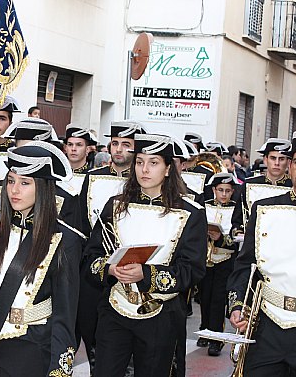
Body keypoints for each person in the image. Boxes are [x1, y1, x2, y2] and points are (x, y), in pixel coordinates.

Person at [0, 141, 83, 376]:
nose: (14, 190)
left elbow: (66, 314)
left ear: (43, 188)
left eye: (25, 183)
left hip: (31, 348)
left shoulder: (65, 239)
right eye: (11, 180)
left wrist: (59, 369)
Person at [86, 133, 207, 376]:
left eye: (153, 163)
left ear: (167, 169)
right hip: (114, 308)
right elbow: (91, 256)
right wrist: (109, 268)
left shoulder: (191, 212)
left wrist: (146, 274)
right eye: (140, 162)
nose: (144, 169)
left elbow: (192, 270)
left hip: (161, 315)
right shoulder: (115, 205)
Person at [228, 131, 296, 376]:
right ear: (290, 166)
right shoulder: (264, 208)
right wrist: (238, 305)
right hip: (268, 326)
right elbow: (246, 265)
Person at [76, 120, 145, 375]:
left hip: (131, 268)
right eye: (115, 144)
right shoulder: (93, 177)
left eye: (126, 145)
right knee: (92, 327)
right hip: (97, 267)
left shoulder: (141, 183)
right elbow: (83, 221)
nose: (119, 150)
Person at [197, 173, 243, 356]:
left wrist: (222, 238)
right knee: (204, 297)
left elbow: (237, 236)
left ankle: (216, 338)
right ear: (214, 190)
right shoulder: (205, 206)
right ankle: (205, 330)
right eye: (220, 190)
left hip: (225, 259)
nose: (224, 194)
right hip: (205, 259)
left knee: (218, 300)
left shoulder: (236, 209)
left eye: (228, 191)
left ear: (233, 192)